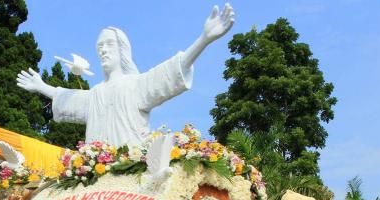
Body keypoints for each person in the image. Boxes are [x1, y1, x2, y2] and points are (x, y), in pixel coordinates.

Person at [16, 4, 235, 147]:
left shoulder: (136, 85)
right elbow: (69, 99)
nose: (103, 50)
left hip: (131, 176)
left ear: (122, 49)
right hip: (97, 175)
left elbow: (170, 72)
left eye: (108, 44)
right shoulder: (95, 94)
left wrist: (204, 39)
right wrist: (41, 85)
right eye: (99, 46)